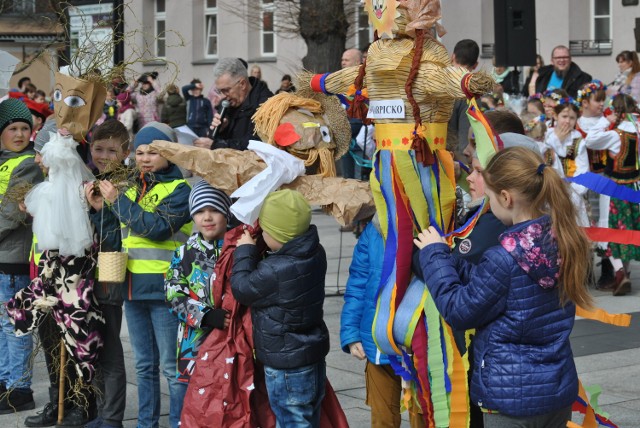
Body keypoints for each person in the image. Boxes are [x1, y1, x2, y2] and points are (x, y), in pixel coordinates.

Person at [415, 146, 593, 428]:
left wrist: (434, 255)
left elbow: (459, 310)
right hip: (556, 391)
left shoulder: (504, 257)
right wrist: (452, 262)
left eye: (490, 198)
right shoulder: (564, 239)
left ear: (506, 198)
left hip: (510, 398)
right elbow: (497, 284)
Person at [89, 122, 192, 428]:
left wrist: (117, 202)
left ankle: (178, 423)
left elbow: (157, 229)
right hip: (132, 289)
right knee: (144, 366)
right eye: (140, 152)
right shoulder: (133, 187)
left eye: (154, 152)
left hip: (164, 291)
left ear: (171, 154)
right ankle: (147, 424)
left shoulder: (179, 189)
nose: (145, 158)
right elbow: (120, 233)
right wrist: (99, 208)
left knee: (172, 369)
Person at [231, 189, 330, 427]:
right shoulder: (315, 252)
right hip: (311, 356)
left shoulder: (275, 270)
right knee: (308, 419)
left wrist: (245, 251)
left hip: (287, 366)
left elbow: (242, 288)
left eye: (265, 231)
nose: (262, 235)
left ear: (279, 236)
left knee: (292, 420)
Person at [340, 214, 425, 428]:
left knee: (423, 415)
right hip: (377, 341)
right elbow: (358, 284)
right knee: (382, 416)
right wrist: (351, 334)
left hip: (419, 343)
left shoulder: (434, 225)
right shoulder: (374, 231)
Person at [84, 119, 131, 428]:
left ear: (125, 152)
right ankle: (102, 413)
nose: (103, 156)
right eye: (98, 149)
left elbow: (120, 234)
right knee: (96, 346)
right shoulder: (92, 179)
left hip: (111, 275)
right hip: (89, 276)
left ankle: (112, 418)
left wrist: (103, 210)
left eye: (111, 151)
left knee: (111, 348)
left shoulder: (126, 184)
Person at [0, 98, 44, 415]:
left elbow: (10, 215)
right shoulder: (3, 161)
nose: (19, 134)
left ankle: (20, 389)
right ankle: (5, 382)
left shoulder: (28, 163)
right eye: (12, 128)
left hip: (15, 256)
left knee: (16, 325)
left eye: (24, 128)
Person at [165, 180, 232, 384]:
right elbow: (173, 295)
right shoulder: (184, 253)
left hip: (232, 341)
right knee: (194, 405)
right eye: (200, 211)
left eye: (214, 210)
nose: (207, 217)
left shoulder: (241, 249)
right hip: (195, 343)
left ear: (227, 213)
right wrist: (206, 315)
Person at [584, 93, 640, 296]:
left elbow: (591, 140)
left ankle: (619, 272)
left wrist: (604, 121)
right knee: (628, 229)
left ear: (617, 112)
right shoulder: (637, 131)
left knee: (609, 228)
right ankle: (626, 272)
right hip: (634, 188)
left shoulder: (616, 135)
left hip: (614, 188)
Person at [193, 58, 273, 150]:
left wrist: (218, 145)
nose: (223, 96)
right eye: (220, 91)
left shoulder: (267, 104)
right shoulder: (226, 104)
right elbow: (212, 140)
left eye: (226, 90)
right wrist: (221, 130)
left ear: (242, 84)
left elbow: (257, 143)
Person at [543, 98, 590, 227]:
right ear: (555, 116)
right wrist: (557, 140)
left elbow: (583, 172)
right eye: (564, 116)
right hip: (549, 192)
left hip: (572, 195)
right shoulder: (546, 135)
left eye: (572, 118)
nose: (567, 121)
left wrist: (570, 194)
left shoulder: (578, 140)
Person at [447, 39, 480, 161]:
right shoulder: (470, 91)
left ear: (452, 56)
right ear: (475, 65)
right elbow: (466, 136)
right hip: (452, 160)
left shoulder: (434, 81)